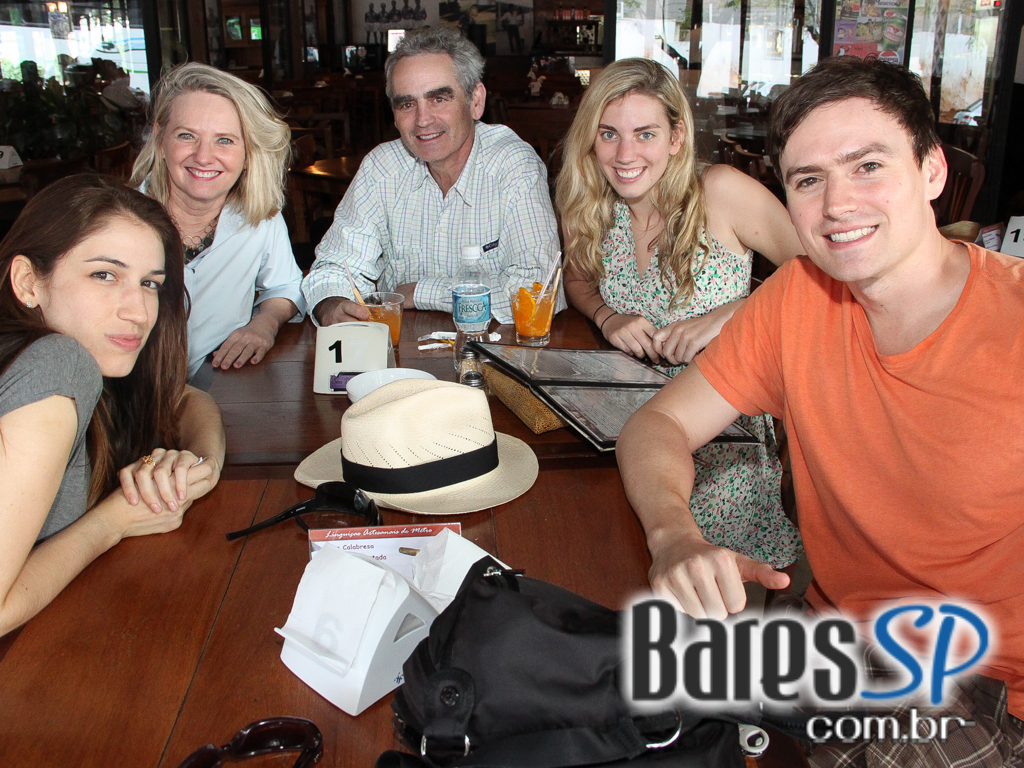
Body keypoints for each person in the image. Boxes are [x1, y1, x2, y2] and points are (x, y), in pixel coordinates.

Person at [617, 57, 1024, 761]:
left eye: (867, 165)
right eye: (809, 180)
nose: (837, 204)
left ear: (932, 171)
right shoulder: (797, 297)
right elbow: (658, 424)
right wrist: (672, 534)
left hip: (985, 683)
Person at [556, 58, 803, 570]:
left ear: (676, 135)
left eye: (645, 133)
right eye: (609, 134)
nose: (626, 154)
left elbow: (821, 271)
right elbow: (577, 280)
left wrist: (732, 315)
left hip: (721, 434)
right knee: (577, 527)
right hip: (625, 418)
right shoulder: (595, 205)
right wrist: (607, 317)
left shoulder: (720, 191)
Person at [0, 174, 226, 637]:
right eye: (104, 274)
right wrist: (116, 519)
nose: (139, 311)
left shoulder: (78, 359)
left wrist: (200, 465)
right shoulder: (58, 364)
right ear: (28, 282)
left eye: (149, 283)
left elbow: (186, 399)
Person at [302, 26, 560, 327]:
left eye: (439, 99)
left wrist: (421, 292)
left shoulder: (512, 165)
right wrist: (333, 304)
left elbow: (537, 291)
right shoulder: (382, 168)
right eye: (407, 104)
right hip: (401, 358)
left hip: (492, 357)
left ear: (475, 101)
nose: (422, 120)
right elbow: (333, 267)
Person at [131, 63, 305, 379]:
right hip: (127, 395)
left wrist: (263, 324)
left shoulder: (260, 216)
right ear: (160, 138)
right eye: (187, 136)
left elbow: (286, 285)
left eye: (224, 140)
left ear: (249, 151)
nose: (203, 157)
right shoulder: (119, 221)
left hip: (215, 385)